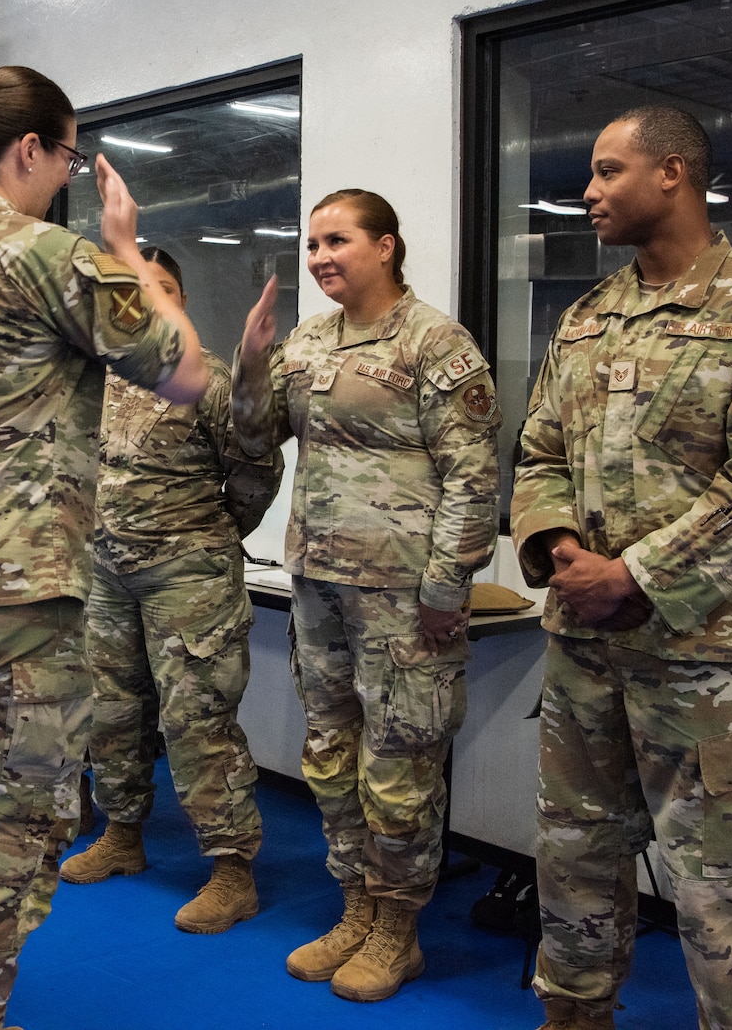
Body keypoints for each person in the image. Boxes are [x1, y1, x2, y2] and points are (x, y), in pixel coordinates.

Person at [0, 66, 209, 1030]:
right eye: (64, 154)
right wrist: (127, 248)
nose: (65, 172)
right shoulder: (48, 254)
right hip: (8, 588)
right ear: (28, 152)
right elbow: (183, 372)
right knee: (10, 818)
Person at [512, 105, 732, 1030]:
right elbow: (537, 454)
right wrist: (561, 550)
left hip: (707, 666)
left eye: (609, 170)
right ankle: (573, 1017)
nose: (589, 191)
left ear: (674, 175)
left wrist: (635, 574)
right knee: (572, 860)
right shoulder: (585, 320)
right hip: (584, 652)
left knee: (721, 895)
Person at [232, 189, 500, 1003]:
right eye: (312, 243)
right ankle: (356, 904)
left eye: (337, 240)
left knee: (400, 764)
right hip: (318, 583)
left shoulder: (436, 343)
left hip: (403, 596)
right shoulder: (311, 340)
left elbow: (475, 474)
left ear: (386, 245)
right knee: (331, 755)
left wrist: (446, 586)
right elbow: (254, 434)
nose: (319, 257)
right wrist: (249, 363)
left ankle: (399, 929)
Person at [60, 247, 283, 933]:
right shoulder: (96, 381)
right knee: (111, 712)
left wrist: (209, 535)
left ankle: (231, 869)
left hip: (188, 576)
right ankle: (123, 836)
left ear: (181, 299)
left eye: (161, 290)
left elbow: (256, 471)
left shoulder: (209, 379)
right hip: (107, 572)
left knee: (196, 723)